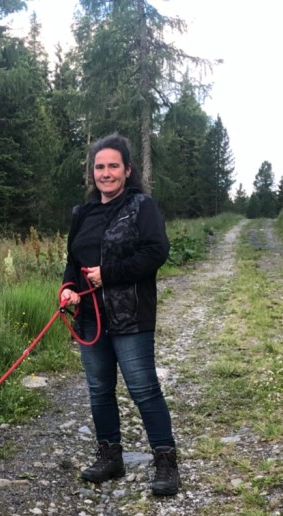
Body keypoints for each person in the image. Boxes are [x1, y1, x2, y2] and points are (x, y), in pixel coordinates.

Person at [59, 133, 181, 496]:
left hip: (131, 315)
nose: (106, 173)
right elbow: (73, 260)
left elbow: (156, 252)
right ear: (92, 173)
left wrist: (108, 274)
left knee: (143, 388)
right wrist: (68, 287)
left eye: (113, 166)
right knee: (99, 390)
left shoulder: (142, 206)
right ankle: (110, 456)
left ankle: (165, 461)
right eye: (100, 167)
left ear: (128, 170)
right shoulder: (82, 214)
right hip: (91, 316)